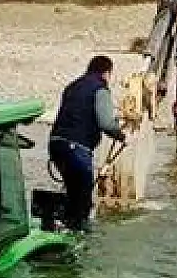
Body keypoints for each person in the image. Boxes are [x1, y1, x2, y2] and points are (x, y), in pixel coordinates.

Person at [47, 55, 127, 232]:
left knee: (72, 192)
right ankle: (80, 239)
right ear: (107, 72)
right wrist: (120, 135)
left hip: (56, 145)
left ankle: (64, 227)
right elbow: (106, 122)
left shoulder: (72, 86)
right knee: (83, 199)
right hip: (77, 148)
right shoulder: (100, 88)